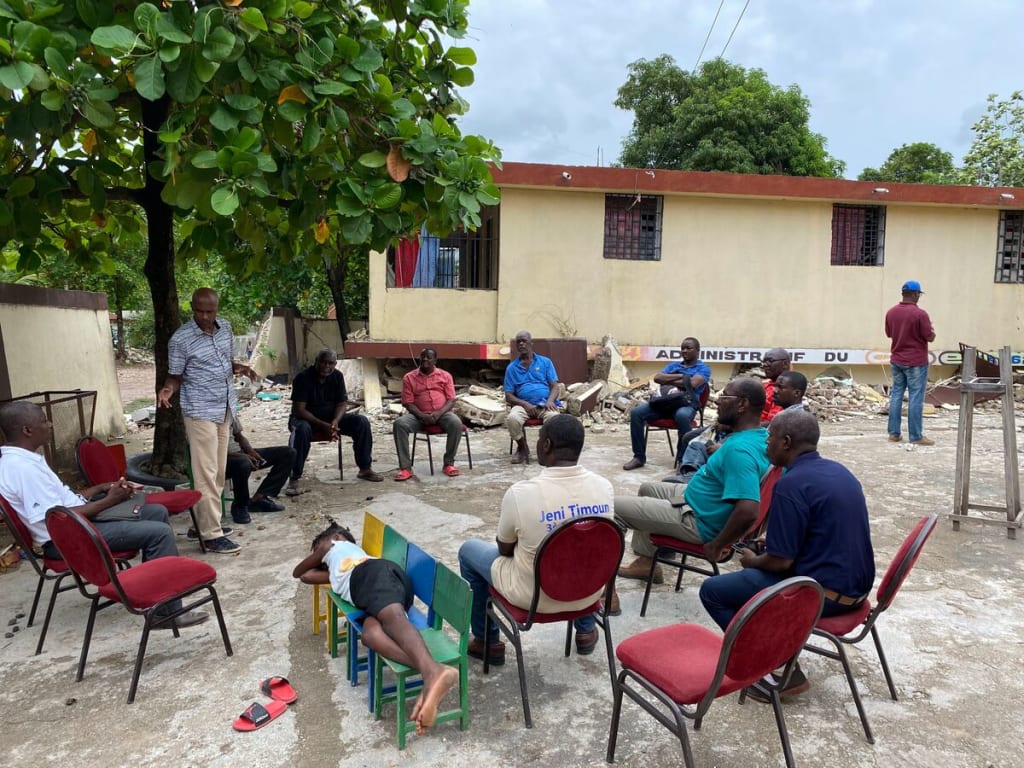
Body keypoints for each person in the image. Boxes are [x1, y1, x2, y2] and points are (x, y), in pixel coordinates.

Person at [699, 409, 875, 701]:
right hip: (856, 591)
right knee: (755, 573)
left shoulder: (790, 484)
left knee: (714, 591)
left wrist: (751, 561)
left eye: (769, 438)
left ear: (786, 442)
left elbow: (781, 562)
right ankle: (777, 654)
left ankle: (777, 669)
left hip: (824, 596)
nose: (766, 444)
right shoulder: (838, 471)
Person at [0, 402, 207, 627]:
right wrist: (110, 501)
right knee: (159, 533)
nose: (49, 424)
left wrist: (102, 488)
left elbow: (65, 501)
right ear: (27, 430)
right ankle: (167, 613)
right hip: (67, 539)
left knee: (155, 511)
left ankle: (153, 590)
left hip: (76, 525)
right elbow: (58, 517)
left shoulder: (25, 459)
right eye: (43, 420)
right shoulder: (22, 469)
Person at [458, 414, 614, 664]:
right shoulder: (604, 487)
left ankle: (488, 642)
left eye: (540, 437)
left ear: (546, 445)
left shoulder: (521, 494)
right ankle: (585, 631)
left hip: (534, 598)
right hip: (588, 594)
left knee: (469, 551)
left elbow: (505, 550)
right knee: (581, 551)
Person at [293, 520, 458, 735]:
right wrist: (327, 563)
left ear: (336, 538)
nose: (319, 560)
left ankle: (432, 672)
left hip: (373, 575)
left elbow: (298, 571)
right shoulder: (336, 571)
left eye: (318, 554)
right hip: (375, 589)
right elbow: (306, 576)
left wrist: (323, 549)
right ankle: (432, 671)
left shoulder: (337, 548)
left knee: (393, 619)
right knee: (371, 635)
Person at [615, 377, 770, 585]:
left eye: (724, 397)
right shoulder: (760, 436)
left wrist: (717, 545)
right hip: (697, 501)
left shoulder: (739, 450)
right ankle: (646, 563)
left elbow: (749, 510)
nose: (717, 402)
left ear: (742, 404)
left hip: (698, 520)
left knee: (611, 508)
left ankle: (604, 591)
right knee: (647, 488)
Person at [158, 287, 254, 555]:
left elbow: (225, 362)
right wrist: (168, 389)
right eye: (198, 310)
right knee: (205, 473)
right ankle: (211, 535)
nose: (203, 316)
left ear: (217, 309)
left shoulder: (225, 329)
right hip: (199, 410)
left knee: (219, 471)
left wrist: (240, 368)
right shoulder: (181, 339)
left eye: (209, 311)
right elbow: (175, 375)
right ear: (192, 308)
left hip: (224, 407)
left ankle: (201, 524)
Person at [288, 348, 383, 492]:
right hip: (305, 419)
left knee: (361, 422)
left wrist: (335, 421)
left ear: (335, 364)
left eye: (331, 363)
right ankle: (294, 477)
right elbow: (299, 410)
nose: (327, 367)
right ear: (317, 362)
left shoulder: (337, 376)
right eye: (324, 362)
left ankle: (364, 468)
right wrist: (324, 425)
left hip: (330, 419)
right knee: (302, 430)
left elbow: (341, 403)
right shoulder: (303, 378)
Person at [623, 337, 710, 471]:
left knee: (682, 416)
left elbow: (693, 384)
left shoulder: (703, 369)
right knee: (636, 413)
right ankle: (639, 457)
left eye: (688, 348)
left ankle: (683, 460)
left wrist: (669, 379)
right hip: (664, 403)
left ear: (697, 351)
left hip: (686, 404)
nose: (684, 351)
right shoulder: (674, 365)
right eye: (682, 348)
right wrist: (683, 377)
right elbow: (658, 378)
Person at [393, 348, 463, 481]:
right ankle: (405, 468)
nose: (425, 359)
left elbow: (451, 399)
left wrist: (438, 413)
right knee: (399, 424)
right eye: (423, 357)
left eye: (429, 357)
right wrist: (421, 415)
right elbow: (407, 402)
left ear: (435, 360)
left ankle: (448, 464)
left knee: (456, 423)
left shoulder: (445, 376)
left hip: (442, 413)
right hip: (418, 415)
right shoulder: (409, 377)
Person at [885, 280, 936, 446]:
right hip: (915, 362)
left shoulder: (891, 312)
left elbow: (889, 334)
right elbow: (930, 336)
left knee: (896, 395)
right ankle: (916, 436)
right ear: (915, 294)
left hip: (897, 359)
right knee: (915, 397)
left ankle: (894, 433)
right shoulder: (920, 314)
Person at [504, 330, 562, 465]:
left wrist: (550, 401)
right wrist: (525, 405)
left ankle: (547, 449)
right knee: (512, 418)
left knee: (555, 419)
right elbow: (508, 395)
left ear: (531, 343)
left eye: (524, 341)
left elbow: (555, 386)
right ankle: (523, 448)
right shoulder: (512, 368)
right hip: (523, 405)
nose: (521, 344)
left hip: (544, 404)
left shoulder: (545, 362)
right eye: (518, 342)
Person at [224, 413, 294, 524]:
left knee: (288, 453)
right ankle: (240, 506)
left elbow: (239, 437)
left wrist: (251, 452)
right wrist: (244, 456)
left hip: (239, 454)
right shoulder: (200, 418)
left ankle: (259, 498)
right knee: (243, 463)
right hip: (220, 461)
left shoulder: (228, 410)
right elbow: (211, 452)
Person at [760, 348, 792, 426]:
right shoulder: (766, 385)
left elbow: (773, 423)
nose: (765, 365)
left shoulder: (786, 390)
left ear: (784, 364)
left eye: (770, 361)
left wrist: (743, 427)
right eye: (764, 361)